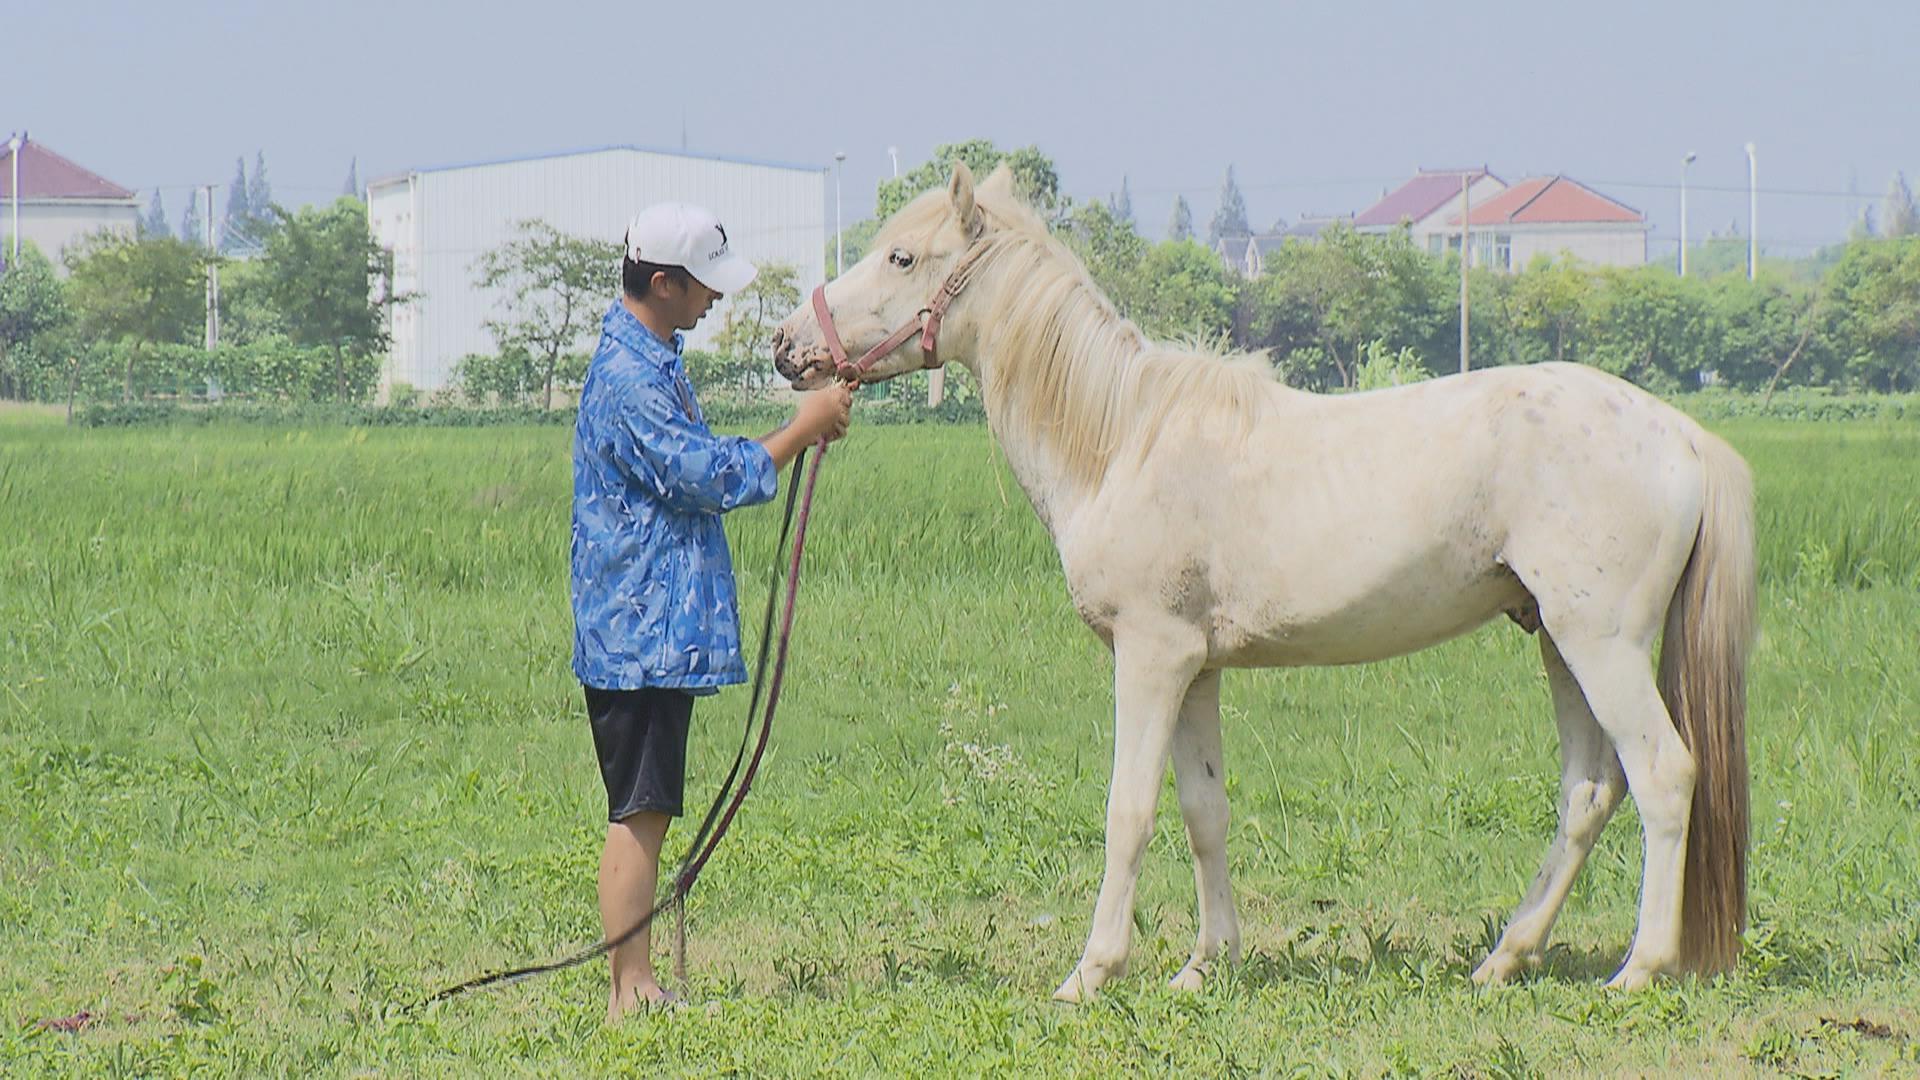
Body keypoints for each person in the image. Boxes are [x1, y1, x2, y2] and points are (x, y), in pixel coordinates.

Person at [572, 202, 851, 1020]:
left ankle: (638, 981)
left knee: (647, 806)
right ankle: (632, 990)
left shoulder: (652, 357)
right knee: (640, 813)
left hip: (650, 630)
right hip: (639, 634)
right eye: (703, 287)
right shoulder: (629, 378)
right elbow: (700, 474)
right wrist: (798, 431)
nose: (714, 301)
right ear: (662, 283)